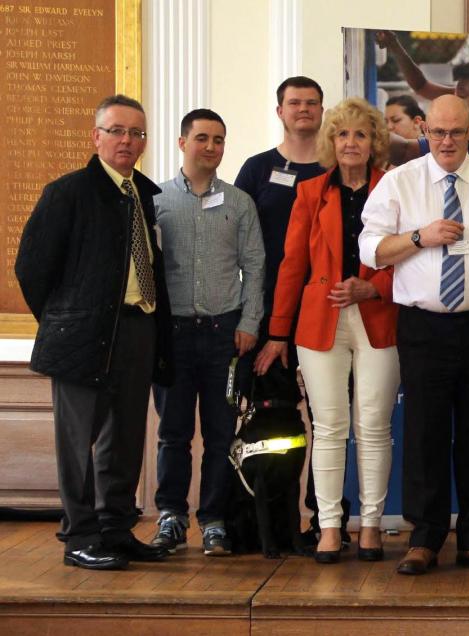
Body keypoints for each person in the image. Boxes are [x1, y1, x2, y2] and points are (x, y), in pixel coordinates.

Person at [359, 95, 469, 576]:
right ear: (422, 130)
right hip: (424, 326)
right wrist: (418, 237)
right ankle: (425, 538)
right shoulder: (399, 182)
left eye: (456, 132)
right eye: (437, 132)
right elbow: (371, 249)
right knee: (425, 435)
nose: (447, 141)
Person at [15, 95, 174, 570]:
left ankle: (115, 529)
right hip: (81, 335)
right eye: (118, 130)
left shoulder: (143, 195)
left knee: (124, 437)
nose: (128, 140)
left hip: (136, 329)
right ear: (96, 136)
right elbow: (32, 269)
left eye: (137, 133)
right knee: (78, 441)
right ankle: (80, 535)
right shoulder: (67, 193)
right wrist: (67, 320)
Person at [254, 97, 401, 564]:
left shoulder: (395, 187)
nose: (350, 143)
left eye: (360, 134)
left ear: (374, 142)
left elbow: (410, 256)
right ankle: (330, 527)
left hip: (380, 315)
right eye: (342, 134)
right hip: (320, 321)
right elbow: (292, 265)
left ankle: (372, 526)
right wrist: (278, 332)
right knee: (329, 427)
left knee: (374, 426)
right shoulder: (310, 191)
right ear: (330, 142)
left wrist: (372, 288)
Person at [234, 76, 346, 545]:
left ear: (323, 111)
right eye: (294, 103)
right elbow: (238, 246)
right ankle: (270, 524)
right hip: (269, 316)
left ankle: (323, 517)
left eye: (312, 103)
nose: (304, 110)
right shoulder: (258, 169)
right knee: (276, 422)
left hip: (331, 313)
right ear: (279, 110)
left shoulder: (340, 169)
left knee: (328, 419)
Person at [150, 108, 265, 557]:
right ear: (183, 143)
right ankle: (171, 518)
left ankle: (213, 521)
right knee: (173, 434)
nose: (211, 147)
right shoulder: (155, 198)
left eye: (219, 139)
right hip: (173, 335)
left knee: (221, 434)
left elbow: (255, 266)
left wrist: (250, 323)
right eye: (202, 138)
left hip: (224, 335)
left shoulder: (239, 203)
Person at [377, 32, 469, 205]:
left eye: (462, 95)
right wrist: (363, 130)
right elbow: (404, 150)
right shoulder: (455, 136)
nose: (453, 100)